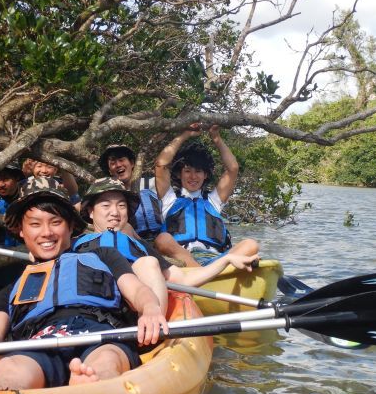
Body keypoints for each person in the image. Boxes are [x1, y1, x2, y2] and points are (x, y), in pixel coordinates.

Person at [0, 177, 169, 393]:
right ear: (21, 230)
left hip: (101, 334)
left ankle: (91, 385)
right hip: (41, 340)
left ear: (70, 227)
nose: (47, 232)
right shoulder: (13, 288)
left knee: (107, 359)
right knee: (9, 368)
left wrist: (150, 308)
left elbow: (137, 290)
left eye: (56, 222)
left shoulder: (104, 257)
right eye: (35, 224)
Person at [72, 177, 259, 308]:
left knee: (149, 263)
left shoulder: (138, 247)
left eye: (121, 206)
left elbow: (183, 279)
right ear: (90, 211)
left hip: (131, 316)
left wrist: (226, 260)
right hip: (81, 313)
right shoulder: (73, 245)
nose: (115, 212)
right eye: (106, 205)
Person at [155, 124, 259, 265]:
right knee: (163, 239)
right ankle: (203, 273)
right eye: (187, 171)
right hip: (182, 259)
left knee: (251, 244)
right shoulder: (169, 200)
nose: (193, 176)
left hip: (214, 259)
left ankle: (202, 274)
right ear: (179, 174)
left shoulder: (213, 201)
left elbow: (233, 168)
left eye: (198, 171)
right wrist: (185, 134)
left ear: (205, 175)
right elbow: (161, 164)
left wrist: (216, 138)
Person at [99, 144, 199, 266]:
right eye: (113, 162)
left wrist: (185, 134)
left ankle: (201, 274)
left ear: (132, 163)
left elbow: (162, 165)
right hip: (133, 241)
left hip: (162, 239)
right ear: (109, 170)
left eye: (121, 160)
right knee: (124, 229)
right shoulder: (107, 195)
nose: (118, 165)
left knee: (165, 238)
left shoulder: (152, 184)